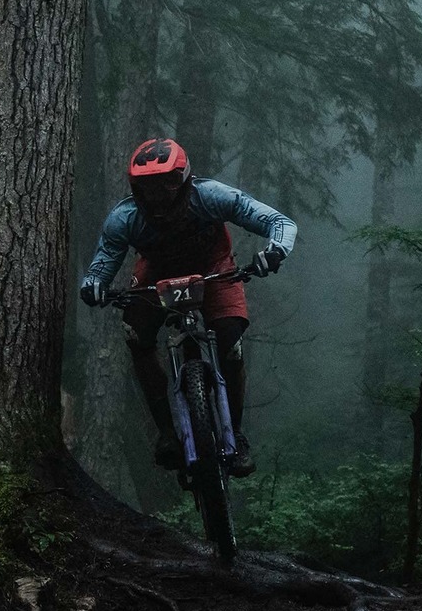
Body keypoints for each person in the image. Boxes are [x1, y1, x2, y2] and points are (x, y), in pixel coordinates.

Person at [78, 137, 296, 477]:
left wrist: (275, 251)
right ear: (136, 189)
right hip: (156, 274)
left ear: (184, 179)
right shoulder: (125, 218)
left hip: (214, 268)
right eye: (148, 187)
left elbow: (279, 223)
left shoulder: (211, 196)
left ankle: (236, 435)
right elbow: (102, 263)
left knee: (230, 341)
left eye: (167, 184)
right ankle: (167, 432)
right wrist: (94, 285)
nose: (158, 196)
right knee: (136, 335)